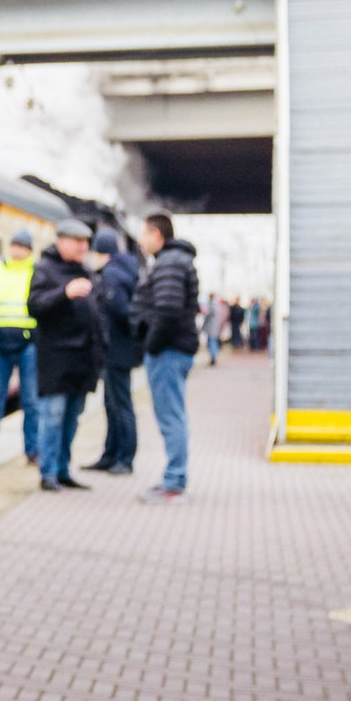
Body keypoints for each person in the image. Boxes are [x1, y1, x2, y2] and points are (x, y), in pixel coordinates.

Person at [28, 220, 104, 491]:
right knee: (53, 417)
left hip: (81, 360)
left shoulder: (85, 271)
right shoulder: (45, 270)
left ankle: (62, 470)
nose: (84, 247)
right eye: (78, 242)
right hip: (56, 360)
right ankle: (47, 473)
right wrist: (64, 293)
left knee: (72, 419)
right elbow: (34, 306)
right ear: (62, 241)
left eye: (86, 242)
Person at [136, 211, 201, 503]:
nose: (140, 239)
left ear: (156, 235)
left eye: (143, 233)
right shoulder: (174, 261)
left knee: (170, 416)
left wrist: (151, 345)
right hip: (174, 349)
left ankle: (174, 483)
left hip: (168, 351)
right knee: (174, 415)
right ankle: (174, 479)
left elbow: (168, 311)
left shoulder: (169, 263)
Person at [0, 231, 40, 463]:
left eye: (23, 246)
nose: (17, 250)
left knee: (31, 401)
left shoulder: (37, 273)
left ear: (30, 250)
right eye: (15, 245)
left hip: (28, 343)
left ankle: (33, 450)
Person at [84, 226, 142, 476]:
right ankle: (110, 454)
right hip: (122, 349)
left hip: (116, 349)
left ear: (102, 252)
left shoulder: (111, 275)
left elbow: (120, 310)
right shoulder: (125, 269)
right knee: (112, 403)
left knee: (120, 404)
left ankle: (124, 458)